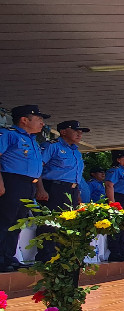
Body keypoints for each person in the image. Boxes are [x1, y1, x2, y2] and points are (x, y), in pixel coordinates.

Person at [0, 105, 49, 272]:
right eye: (39, 119)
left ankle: (8, 257)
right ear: (24, 120)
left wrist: (37, 187)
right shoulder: (9, 135)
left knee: (18, 222)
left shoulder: (33, 140)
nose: (42, 124)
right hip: (11, 181)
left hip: (28, 184)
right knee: (5, 220)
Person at [35, 119, 89, 264]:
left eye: (81, 131)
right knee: (51, 222)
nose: (80, 133)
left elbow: (75, 175)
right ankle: (46, 256)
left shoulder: (76, 151)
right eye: (76, 130)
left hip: (71, 190)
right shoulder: (52, 146)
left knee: (68, 223)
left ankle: (61, 256)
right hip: (54, 187)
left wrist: (77, 194)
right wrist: (40, 188)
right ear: (63, 132)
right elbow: (38, 167)